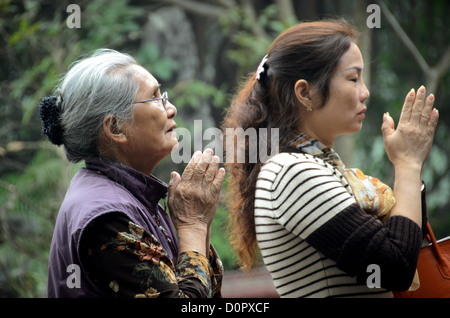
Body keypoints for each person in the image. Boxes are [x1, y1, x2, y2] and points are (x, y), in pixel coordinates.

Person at [222, 19, 439, 297]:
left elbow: (402, 243)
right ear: (305, 92)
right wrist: (408, 164)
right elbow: (394, 267)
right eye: (352, 78)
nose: (365, 92)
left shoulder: (314, 165)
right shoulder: (291, 173)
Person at [40, 49, 225, 298]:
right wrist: (193, 225)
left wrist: (199, 220)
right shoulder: (106, 216)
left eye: (164, 96)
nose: (171, 109)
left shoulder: (130, 196)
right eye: (155, 98)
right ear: (116, 128)